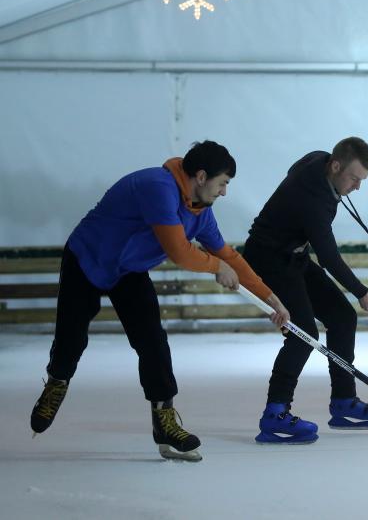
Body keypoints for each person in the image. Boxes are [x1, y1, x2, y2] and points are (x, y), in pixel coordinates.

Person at [29, 141, 290, 461]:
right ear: (201, 176)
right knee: (72, 338)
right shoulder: (158, 187)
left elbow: (228, 256)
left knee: (152, 341)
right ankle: (57, 381)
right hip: (88, 257)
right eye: (222, 183)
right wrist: (214, 267)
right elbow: (179, 251)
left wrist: (270, 297)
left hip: (129, 270)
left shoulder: (201, 212)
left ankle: (164, 419)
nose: (224, 192)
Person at [243, 136, 368, 445]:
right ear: (335, 166)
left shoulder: (319, 159)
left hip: (293, 254)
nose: (357, 187)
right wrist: (363, 292)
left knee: (342, 317)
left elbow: (294, 170)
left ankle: (344, 402)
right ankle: (275, 413)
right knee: (303, 333)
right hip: (268, 259)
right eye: (354, 178)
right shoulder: (313, 200)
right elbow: (329, 256)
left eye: (361, 180)